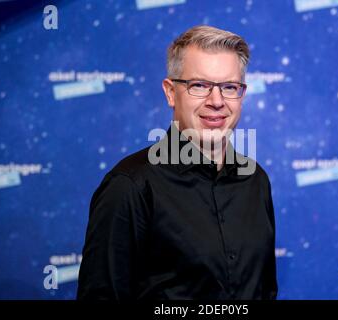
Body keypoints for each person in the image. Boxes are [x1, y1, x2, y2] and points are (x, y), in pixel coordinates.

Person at [77, 25, 277, 300]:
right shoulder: (131, 186)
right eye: (199, 86)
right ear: (171, 92)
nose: (216, 101)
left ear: (242, 94)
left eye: (229, 87)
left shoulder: (255, 181)